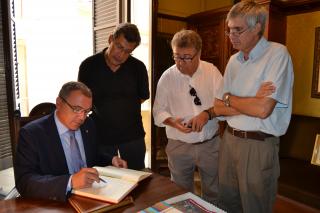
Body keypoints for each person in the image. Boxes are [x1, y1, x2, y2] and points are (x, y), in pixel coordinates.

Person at [214, 1, 294, 212]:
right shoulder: (233, 60)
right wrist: (251, 98)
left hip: (258, 145)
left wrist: (231, 98)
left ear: (258, 26)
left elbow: (262, 110)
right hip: (229, 140)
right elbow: (217, 106)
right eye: (229, 30)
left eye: (238, 30)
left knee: (254, 207)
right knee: (226, 204)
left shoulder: (278, 54)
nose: (231, 35)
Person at [14, 81, 127, 202]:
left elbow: (92, 155)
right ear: (59, 103)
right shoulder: (32, 134)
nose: (82, 117)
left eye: (87, 111)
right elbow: (24, 181)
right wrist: (70, 181)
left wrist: (111, 160)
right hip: (56, 202)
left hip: (92, 196)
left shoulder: (88, 124)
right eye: (77, 109)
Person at [153, 29, 223, 204]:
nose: (180, 63)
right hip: (179, 146)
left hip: (210, 144)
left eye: (186, 57)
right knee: (180, 194)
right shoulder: (167, 77)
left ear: (199, 53)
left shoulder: (212, 72)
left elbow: (223, 106)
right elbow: (158, 111)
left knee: (214, 191)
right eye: (176, 56)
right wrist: (172, 122)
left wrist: (206, 115)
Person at [78, 23, 149, 170]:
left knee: (136, 179)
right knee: (102, 180)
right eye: (119, 47)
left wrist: (122, 109)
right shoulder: (88, 66)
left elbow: (142, 97)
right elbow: (82, 99)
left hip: (133, 136)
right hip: (101, 135)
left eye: (128, 52)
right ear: (111, 39)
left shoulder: (138, 68)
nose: (121, 55)